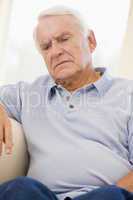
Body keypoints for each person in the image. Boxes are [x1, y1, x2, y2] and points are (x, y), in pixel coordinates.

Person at [0, 5, 133, 200]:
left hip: (104, 196)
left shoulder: (127, 94)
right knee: (19, 188)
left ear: (91, 41)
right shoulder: (28, 93)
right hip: (42, 197)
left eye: (63, 39)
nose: (55, 52)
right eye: (46, 47)